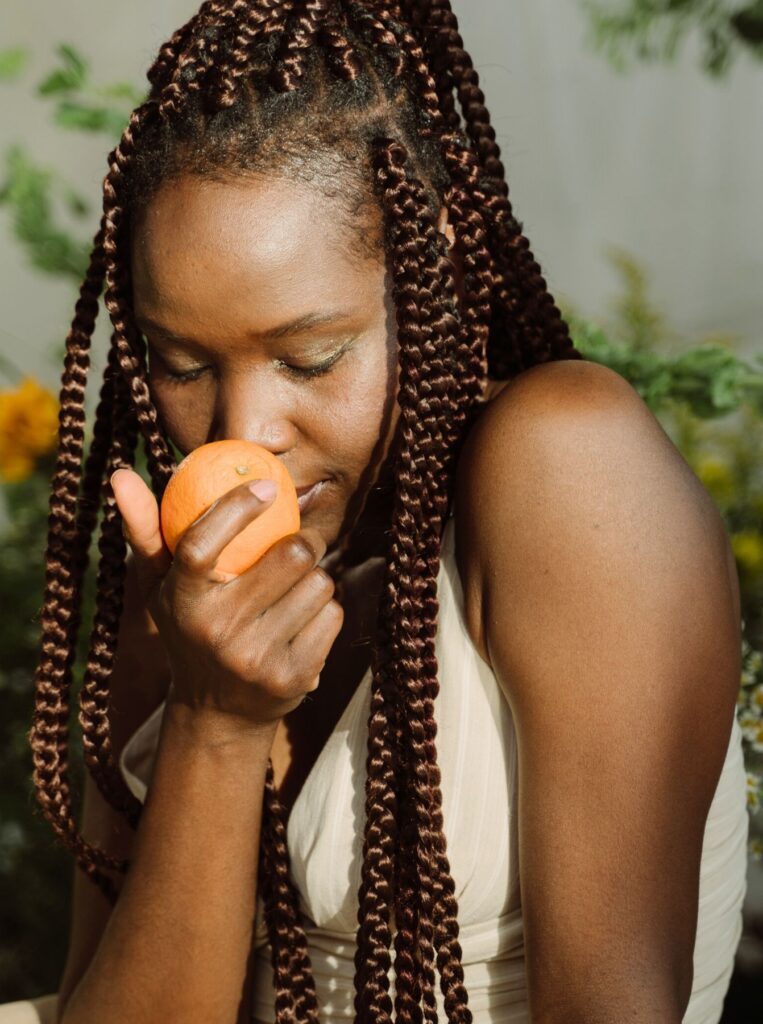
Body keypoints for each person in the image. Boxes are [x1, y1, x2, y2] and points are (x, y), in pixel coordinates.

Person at [20, 2, 747, 1023]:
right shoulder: (180, 591)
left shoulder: (567, 465)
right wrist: (215, 727)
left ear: (431, 265)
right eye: (179, 365)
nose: (242, 431)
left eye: (309, 358)